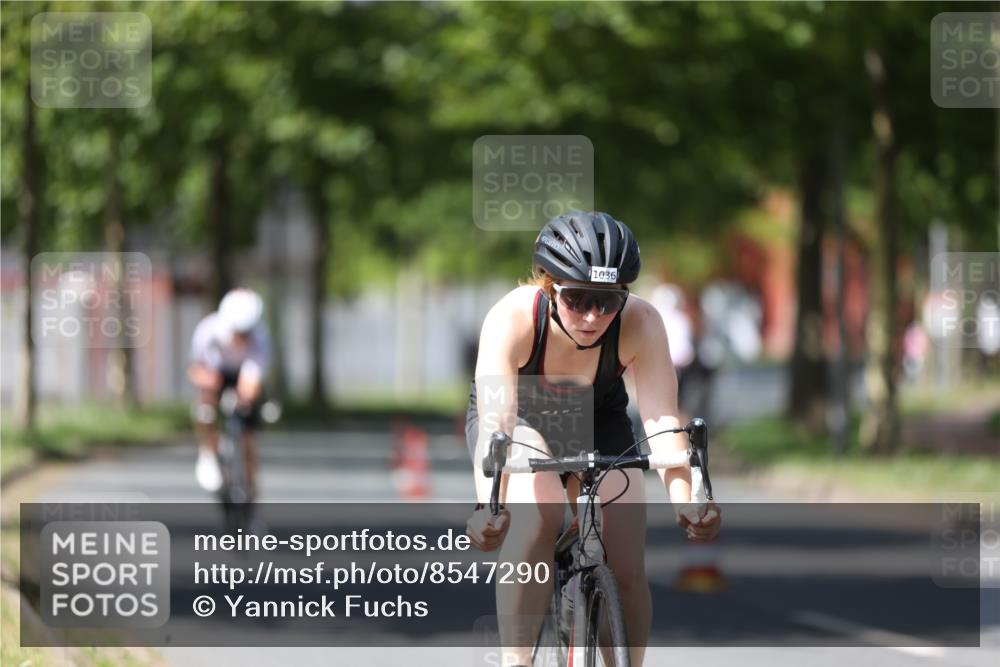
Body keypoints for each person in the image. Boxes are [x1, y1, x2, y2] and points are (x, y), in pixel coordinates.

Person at [464, 211, 721, 667]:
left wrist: (686, 500)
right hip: (521, 414)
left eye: (607, 302)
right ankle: (517, 660)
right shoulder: (513, 317)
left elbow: (661, 421)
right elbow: (497, 423)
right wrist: (490, 507)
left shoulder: (642, 321)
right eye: (577, 298)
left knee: (625, 562)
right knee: (539, 512)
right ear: (547, 285)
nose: (591, 316)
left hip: (598, 414)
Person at [188, 287, 271, 501]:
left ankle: (251, 497)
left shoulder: (260, 338)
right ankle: (208, 450)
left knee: (248, 439)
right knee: (204, 406)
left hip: (242, 373)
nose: (241, 337)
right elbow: (195, 370)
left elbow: (251, 380)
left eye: (246, 333)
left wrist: (245, 396)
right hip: (215, 372)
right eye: (237, 332)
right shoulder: (208, 330)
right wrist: (209, 381)